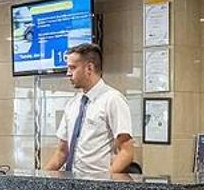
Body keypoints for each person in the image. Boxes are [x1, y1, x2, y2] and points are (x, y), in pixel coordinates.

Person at [42, 42, 135, 176]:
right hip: (71, 182)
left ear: (89, 68)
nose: (68, 73)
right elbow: (62, 152)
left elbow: (126, 151)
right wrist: (41, 179)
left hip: (97, 183)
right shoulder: (72, 104)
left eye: (72, 68)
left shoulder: (113, 99)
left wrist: (105, 182)